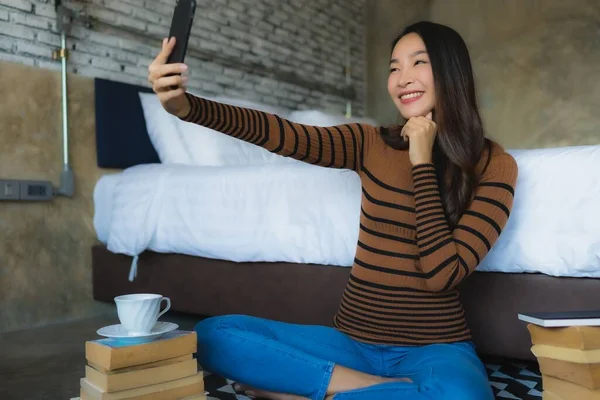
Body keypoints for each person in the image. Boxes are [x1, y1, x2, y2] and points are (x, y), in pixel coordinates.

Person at [148, 20, 517, 400]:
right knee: (212, 337)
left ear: (450, 72)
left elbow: (441, 274)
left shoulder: (494, 164)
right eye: (394, 68)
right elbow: (281, 133)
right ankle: (370, 389)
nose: (402, 78)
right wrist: (186, 108)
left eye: (418, 63)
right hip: (352, 345)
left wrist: (421, 161)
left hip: (436, 349)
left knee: (464, 397)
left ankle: (308, 389)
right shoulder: (369, 142)